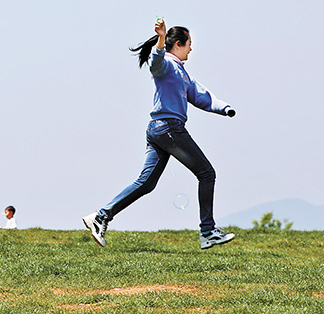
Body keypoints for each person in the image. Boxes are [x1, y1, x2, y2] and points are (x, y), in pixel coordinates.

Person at [83, 19, 237, 250]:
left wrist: (224, 108)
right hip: (169, 128)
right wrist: (161, 39)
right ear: (178, 44)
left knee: (146, 183)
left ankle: (101, 216)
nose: (191, 49)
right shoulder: (165, 63)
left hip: (157, 130)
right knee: (206, 173)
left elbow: (202, 96)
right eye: (189, 44)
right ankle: (208, 232)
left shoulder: (183, 74)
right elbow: (155, 63)